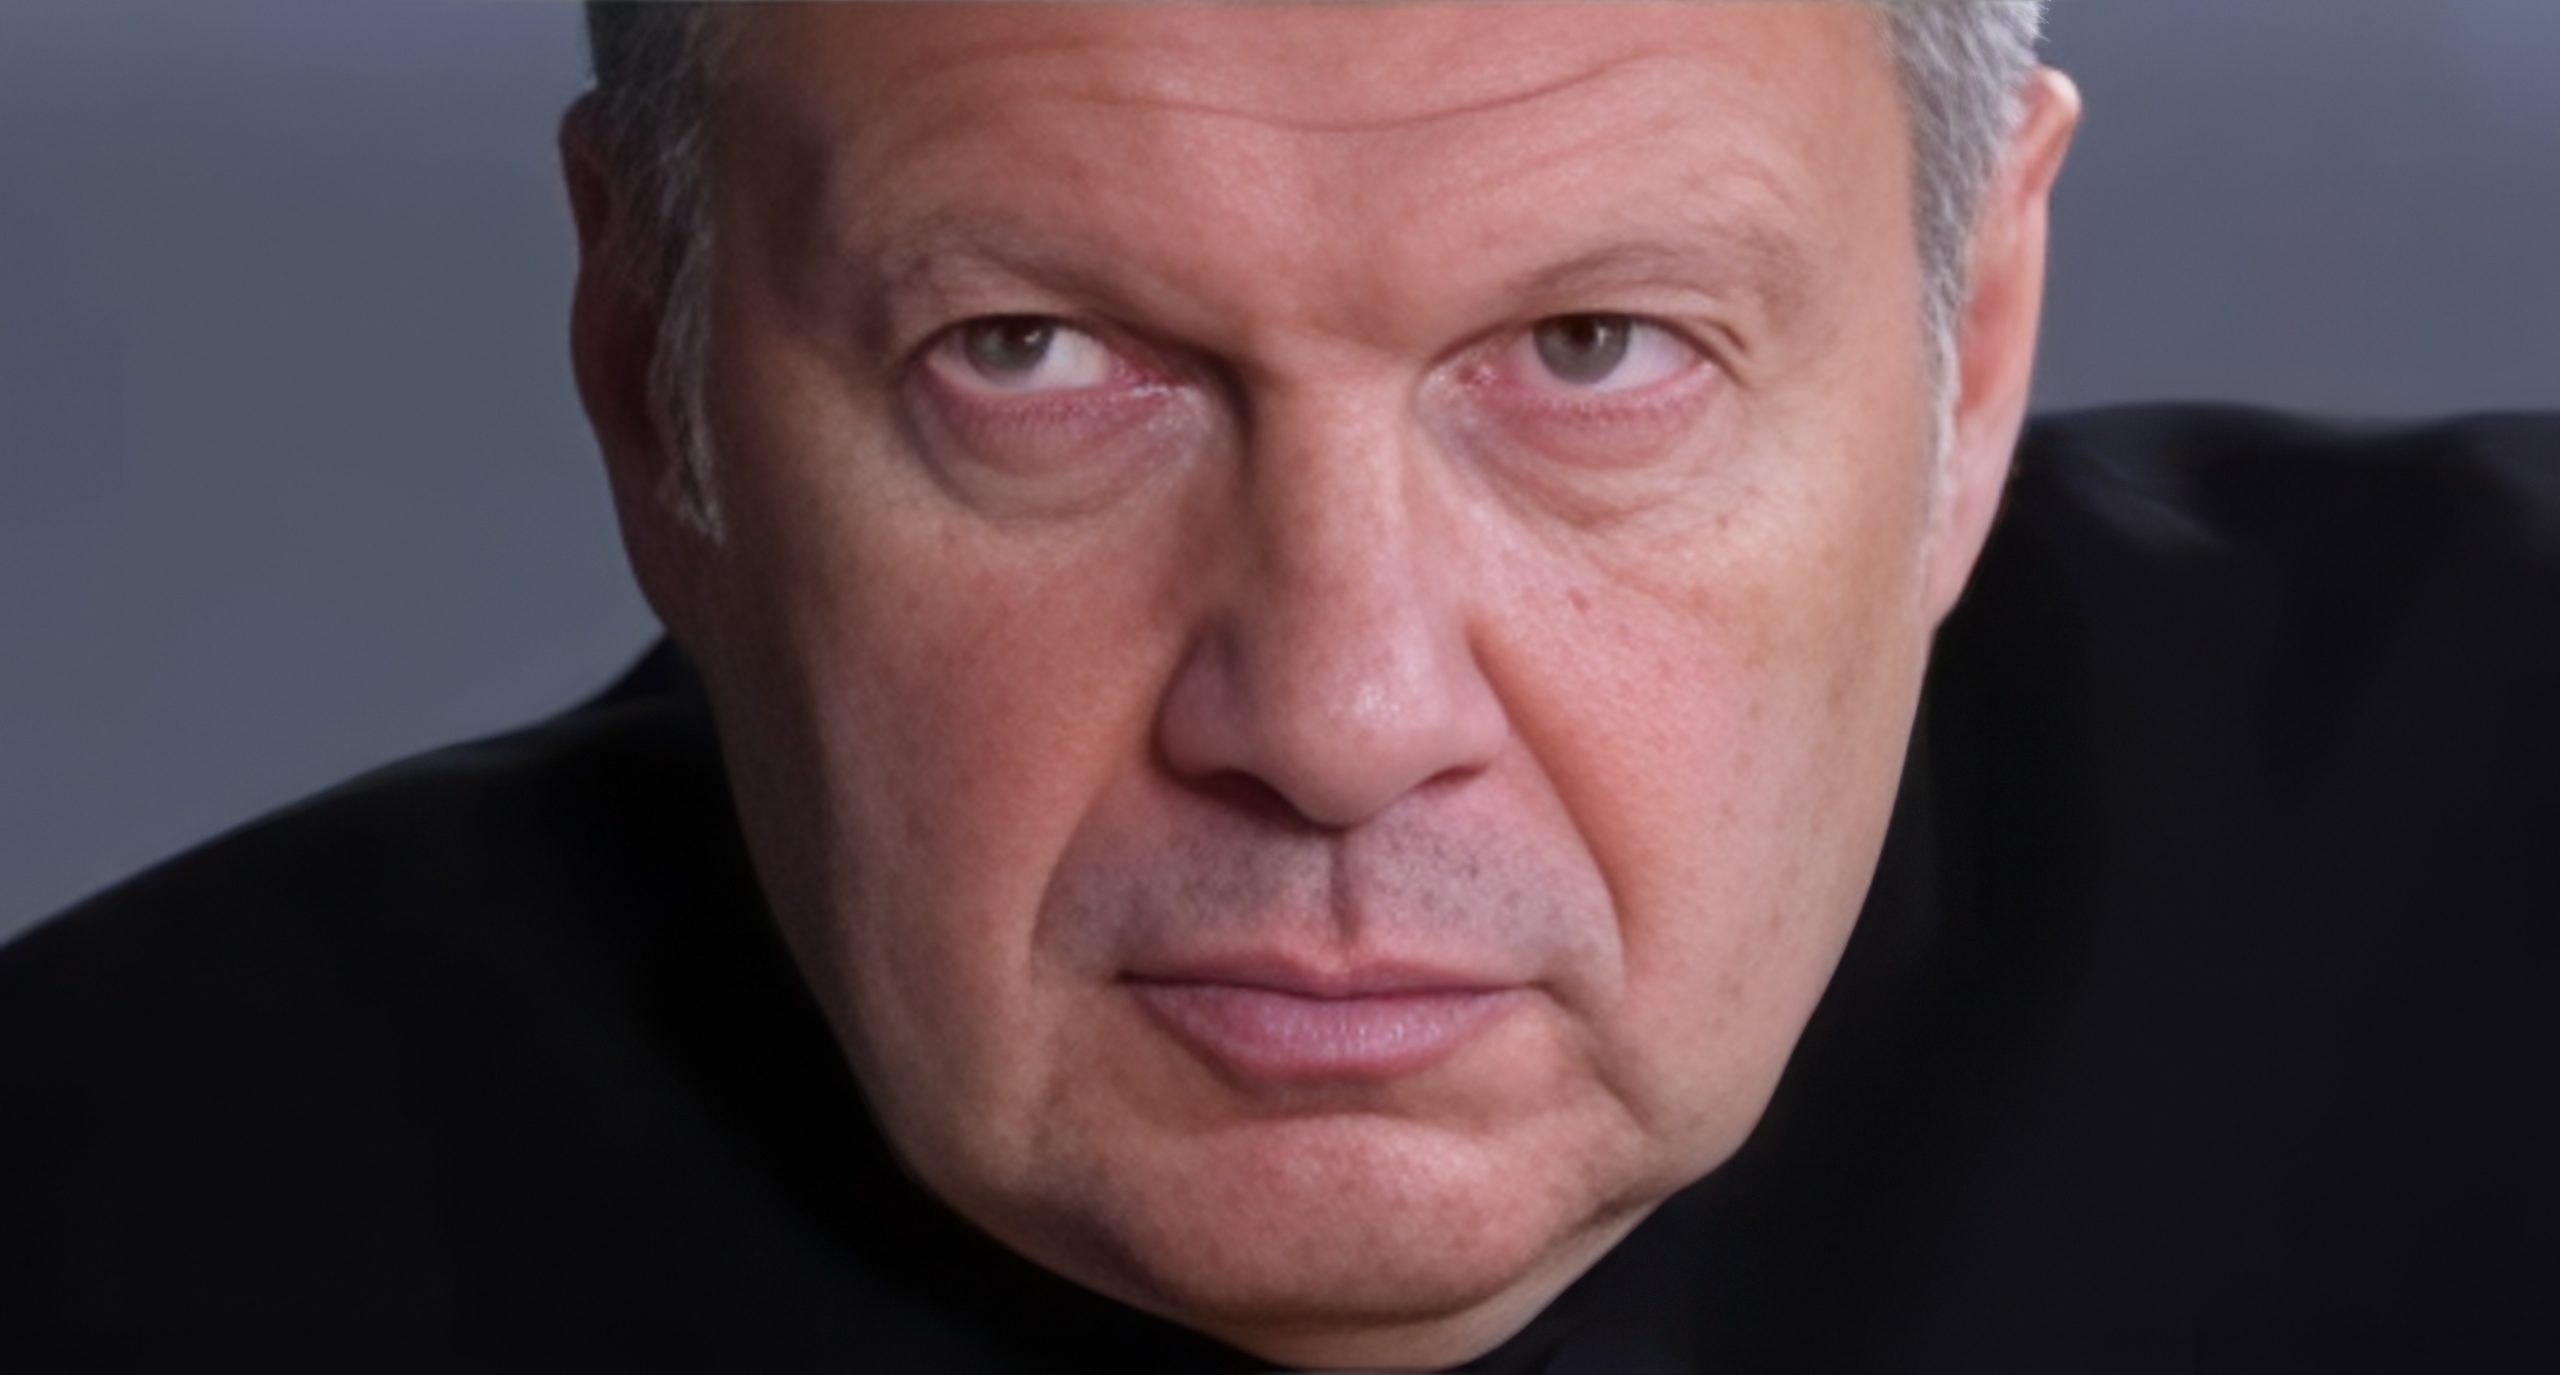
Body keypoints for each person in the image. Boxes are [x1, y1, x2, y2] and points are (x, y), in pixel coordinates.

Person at [2, 3, 2551, 1370]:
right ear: (648, 372)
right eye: (1027, 354)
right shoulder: (95, 1229)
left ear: (1967, 358)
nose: (1332, 715)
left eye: (1593, 347)